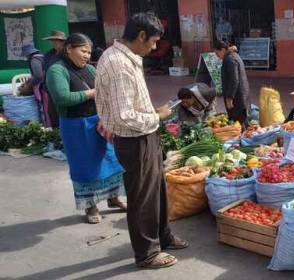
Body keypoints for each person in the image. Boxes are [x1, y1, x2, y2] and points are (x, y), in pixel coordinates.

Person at [95, 13, 188, 269]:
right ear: (141, 36)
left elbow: (130, 104)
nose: (155, 48)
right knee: (142, 198)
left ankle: (163, 237)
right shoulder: (117, 64)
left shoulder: (129, 58)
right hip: (134, 140)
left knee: (157, 191)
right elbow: (124, 117)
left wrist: (152, 114)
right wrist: (156, 117)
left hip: (145, 135)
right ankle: (147, 253)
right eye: (153, 42)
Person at [45, 33, 126, 224]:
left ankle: (113, 198)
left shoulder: (90, 69)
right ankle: (90, 206)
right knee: (84, 166)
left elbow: (104, 90)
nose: (87, 56)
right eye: (83, 51)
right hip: (75, 126)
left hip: (98, 122)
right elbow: (63, 98)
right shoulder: (56, 70)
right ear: (69, 48)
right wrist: (91, 93)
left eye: (89, 52)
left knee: (110, 160)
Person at [214, 40, 250, 128]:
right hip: (241, 95)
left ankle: (243, 140)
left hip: (237, 98)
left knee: (238, 123)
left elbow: (234, 80)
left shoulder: (229, 59)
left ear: (222, 49)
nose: (217, 56)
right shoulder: (233, 56)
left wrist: (229, 98)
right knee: (242, 122)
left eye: (217, 53)